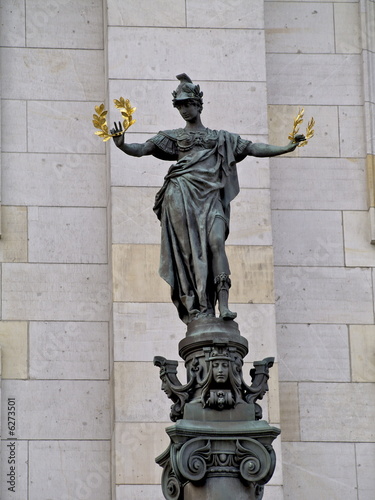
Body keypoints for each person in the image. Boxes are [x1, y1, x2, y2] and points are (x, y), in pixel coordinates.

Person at [111, 74, 305, 324]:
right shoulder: (172, 137)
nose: (184, 109)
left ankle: (223, 303)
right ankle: (198, 303)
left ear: (199, 105)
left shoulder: (220, 138)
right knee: (188, 253)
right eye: (179, 105)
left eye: (188, 104)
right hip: (180, 195)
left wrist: (285, 148)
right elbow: (142, 150)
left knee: (216, 243)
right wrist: (122, 145)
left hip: (210, 199)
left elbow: (252, 148)